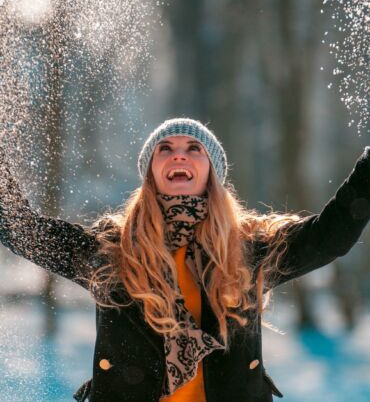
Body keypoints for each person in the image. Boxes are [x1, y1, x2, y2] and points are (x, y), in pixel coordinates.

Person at [0, 117, 369, 402]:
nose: (179, 154)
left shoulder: (248, 250)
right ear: (150, 174)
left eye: (194, 148)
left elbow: (329, 237)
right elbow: (22, 230)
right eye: (165, 148)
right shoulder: (113, 252)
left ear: (211, 172)